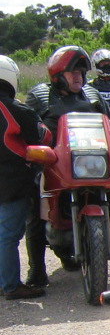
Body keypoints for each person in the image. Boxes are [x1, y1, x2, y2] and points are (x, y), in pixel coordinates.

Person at [24, 45, 110, 280]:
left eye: (82, 72)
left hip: (92, 161)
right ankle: (36, 270)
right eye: (73, 72)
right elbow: (29, 130)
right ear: (58, 75)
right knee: (34, 201)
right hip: (55, 165)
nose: (79, 77)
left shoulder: (93, 95)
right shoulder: (40, 95)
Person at [0, 55, 53, 299]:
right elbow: (43, 137)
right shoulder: (14, 108)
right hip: (10, 181)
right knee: (8, 235)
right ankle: (10, 286)